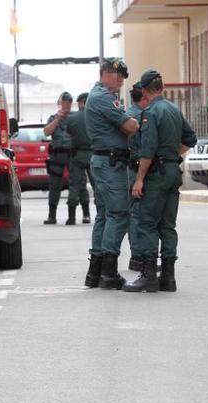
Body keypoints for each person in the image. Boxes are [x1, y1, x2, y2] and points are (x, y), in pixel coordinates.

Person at [124, 69, 197, 292]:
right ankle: (168, 277)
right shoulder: (174, 110)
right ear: (162, 88)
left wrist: (139, 180)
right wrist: (173, 156)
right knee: (167, 225)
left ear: (145, 91)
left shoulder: (151, 113)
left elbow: (148, 150)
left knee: (146, 223)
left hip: (156, 174)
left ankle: (148, 276)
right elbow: (191, 138)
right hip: (173, 171)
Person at [83, 58, 139, 289]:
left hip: (104, 161)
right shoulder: (104, 98)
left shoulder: (98, 96)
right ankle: (108, 272)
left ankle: (95, 271)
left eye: (123, 77)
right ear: (106, 74)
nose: (121, 81)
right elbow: (131, 127)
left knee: (104, 215)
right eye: (118, 76)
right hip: (111, 163)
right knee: (119, 214)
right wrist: (135, 120)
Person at [126, 82, 149, 272]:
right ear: (143, 97)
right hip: (137, 167)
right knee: (138, 213)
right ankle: (139, 256)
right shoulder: (141, 116)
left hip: (127, 167)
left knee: (133, 212)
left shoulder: (126, 114)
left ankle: (137, 255)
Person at [43, 92, 74, 224]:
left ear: (71, 103)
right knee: (54, 185)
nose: (66, 105)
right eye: (64, 102)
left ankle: (79, 215)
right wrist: (57, 119)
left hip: (73, 155)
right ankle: (52, 215)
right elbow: (47, 132)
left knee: (76, 185)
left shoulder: (75, 117)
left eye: (68, 102)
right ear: (60, 103)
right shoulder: (53, 118)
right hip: (57, 155)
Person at [64, 92, 92, 225]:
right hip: (93, 154)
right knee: (98, 185)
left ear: (80, 102)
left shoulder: (72, 118)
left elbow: (69, 133)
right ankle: (98, 214)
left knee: (75, 185)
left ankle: (71, 217)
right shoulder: (95, 117)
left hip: (77, 155)